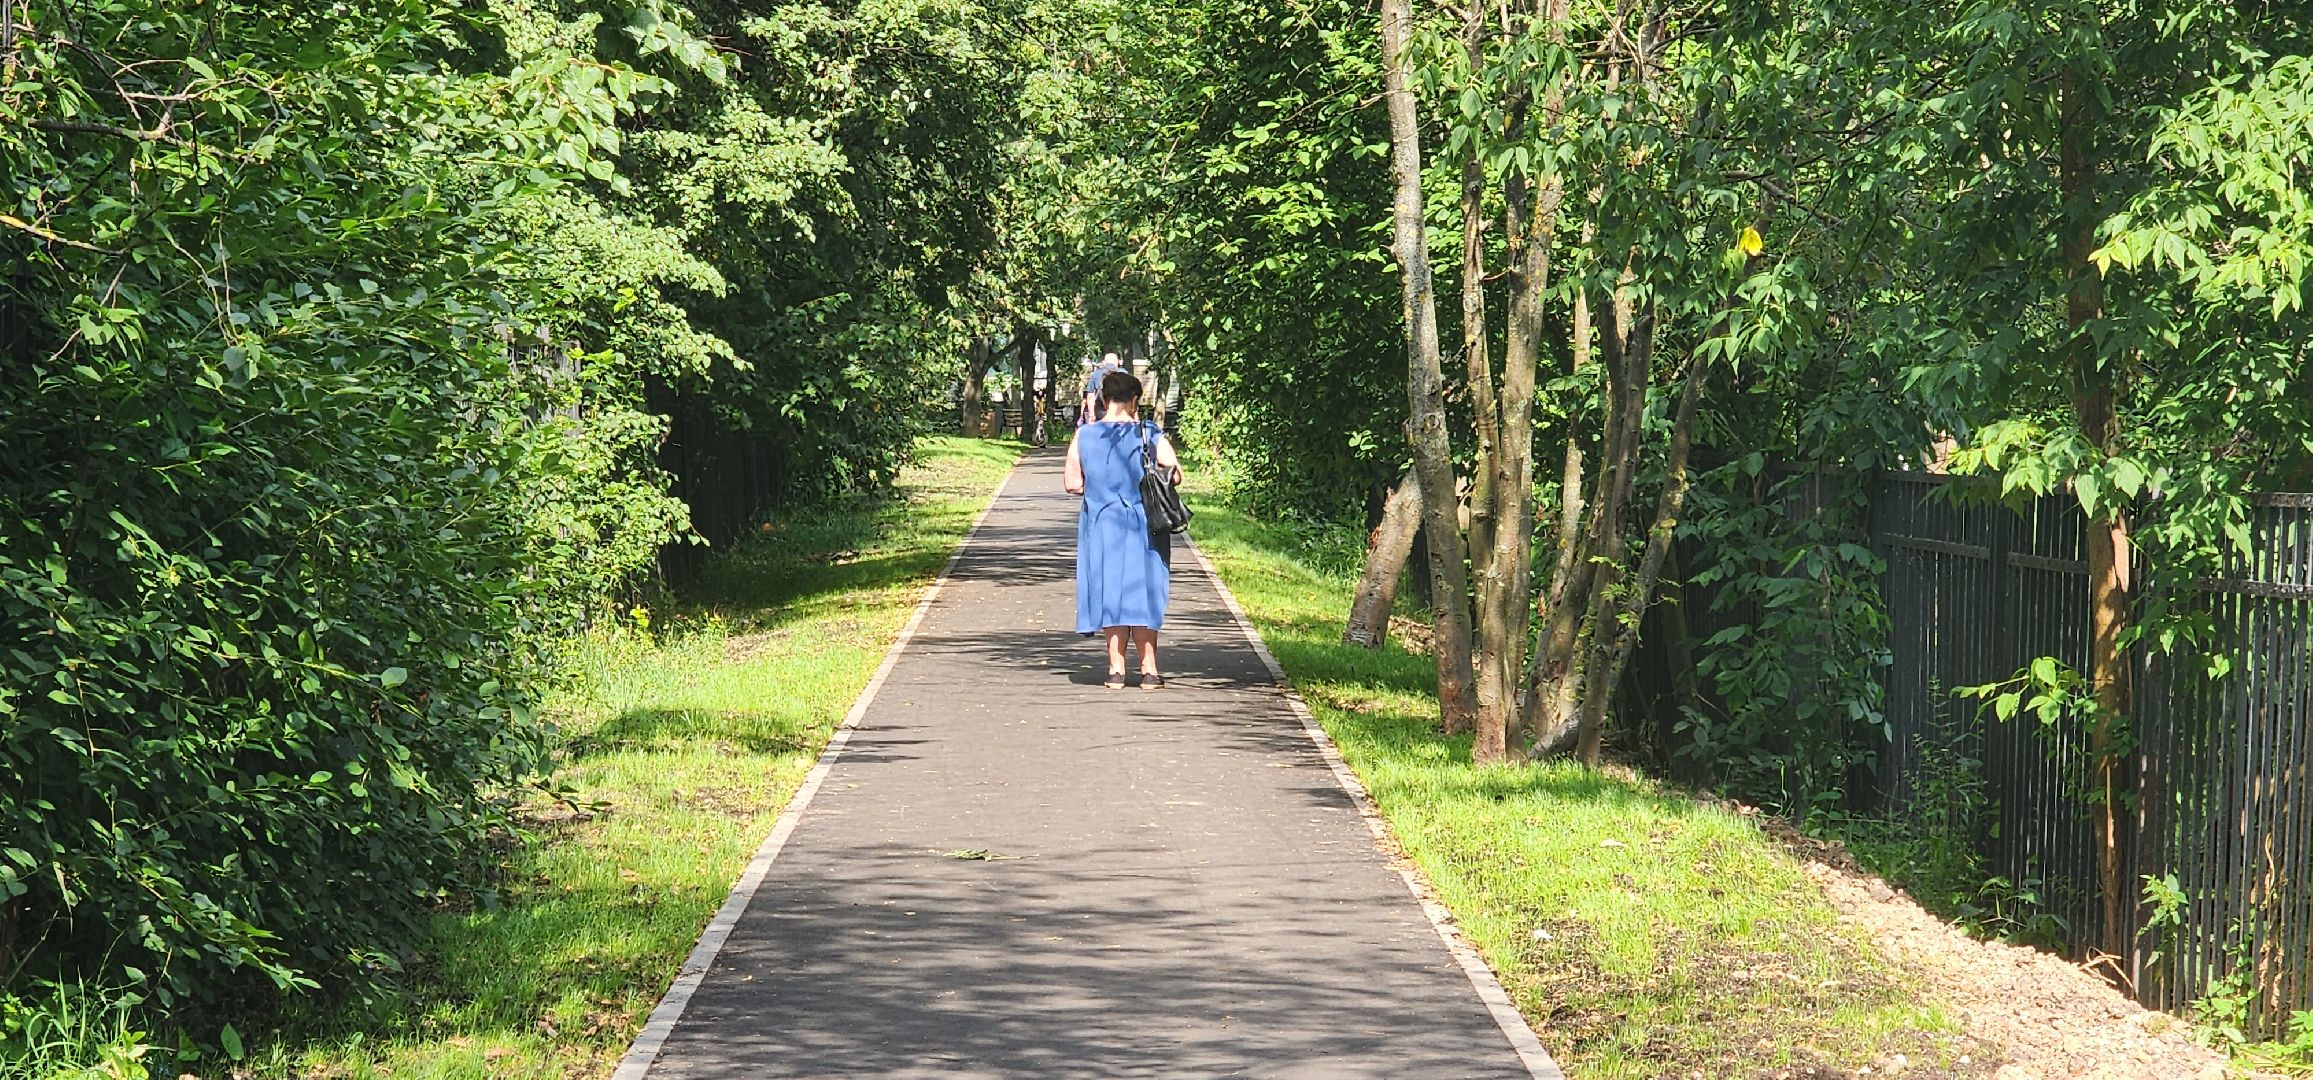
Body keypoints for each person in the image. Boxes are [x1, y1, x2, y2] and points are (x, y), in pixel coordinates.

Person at [1064, 368, 1183, 689]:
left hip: (1102, 525)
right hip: (1145, 525)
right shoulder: (1149, 433)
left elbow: (1072, 484)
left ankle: (1116, 671)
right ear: (1133, 400)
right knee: (1144, 594)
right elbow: (1174, 474)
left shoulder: (1084, 436)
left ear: (1103, 399)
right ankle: (1150, 671)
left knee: (1110, 592)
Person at [1078, 352, 1123, 430]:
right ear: (1117, 362)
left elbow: (1090, 397)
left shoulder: (1096, 374)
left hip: (1101, 412)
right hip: (1120, 413)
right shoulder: (1124, 373)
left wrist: (1092, 416)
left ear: (1104, 362)